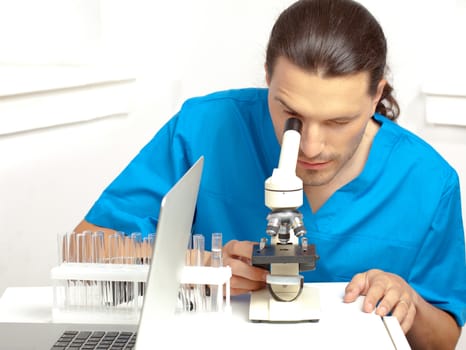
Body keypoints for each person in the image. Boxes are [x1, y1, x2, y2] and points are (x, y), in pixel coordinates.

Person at [74, 0, 465, 348]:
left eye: (339, 121)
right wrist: (193, 266)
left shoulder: (429, 182)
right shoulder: (203, 128)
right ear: (267, 77)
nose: (311, 147)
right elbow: (85, 250)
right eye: (291, 114)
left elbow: (445, 338)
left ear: (376, 94)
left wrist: (407, 301)